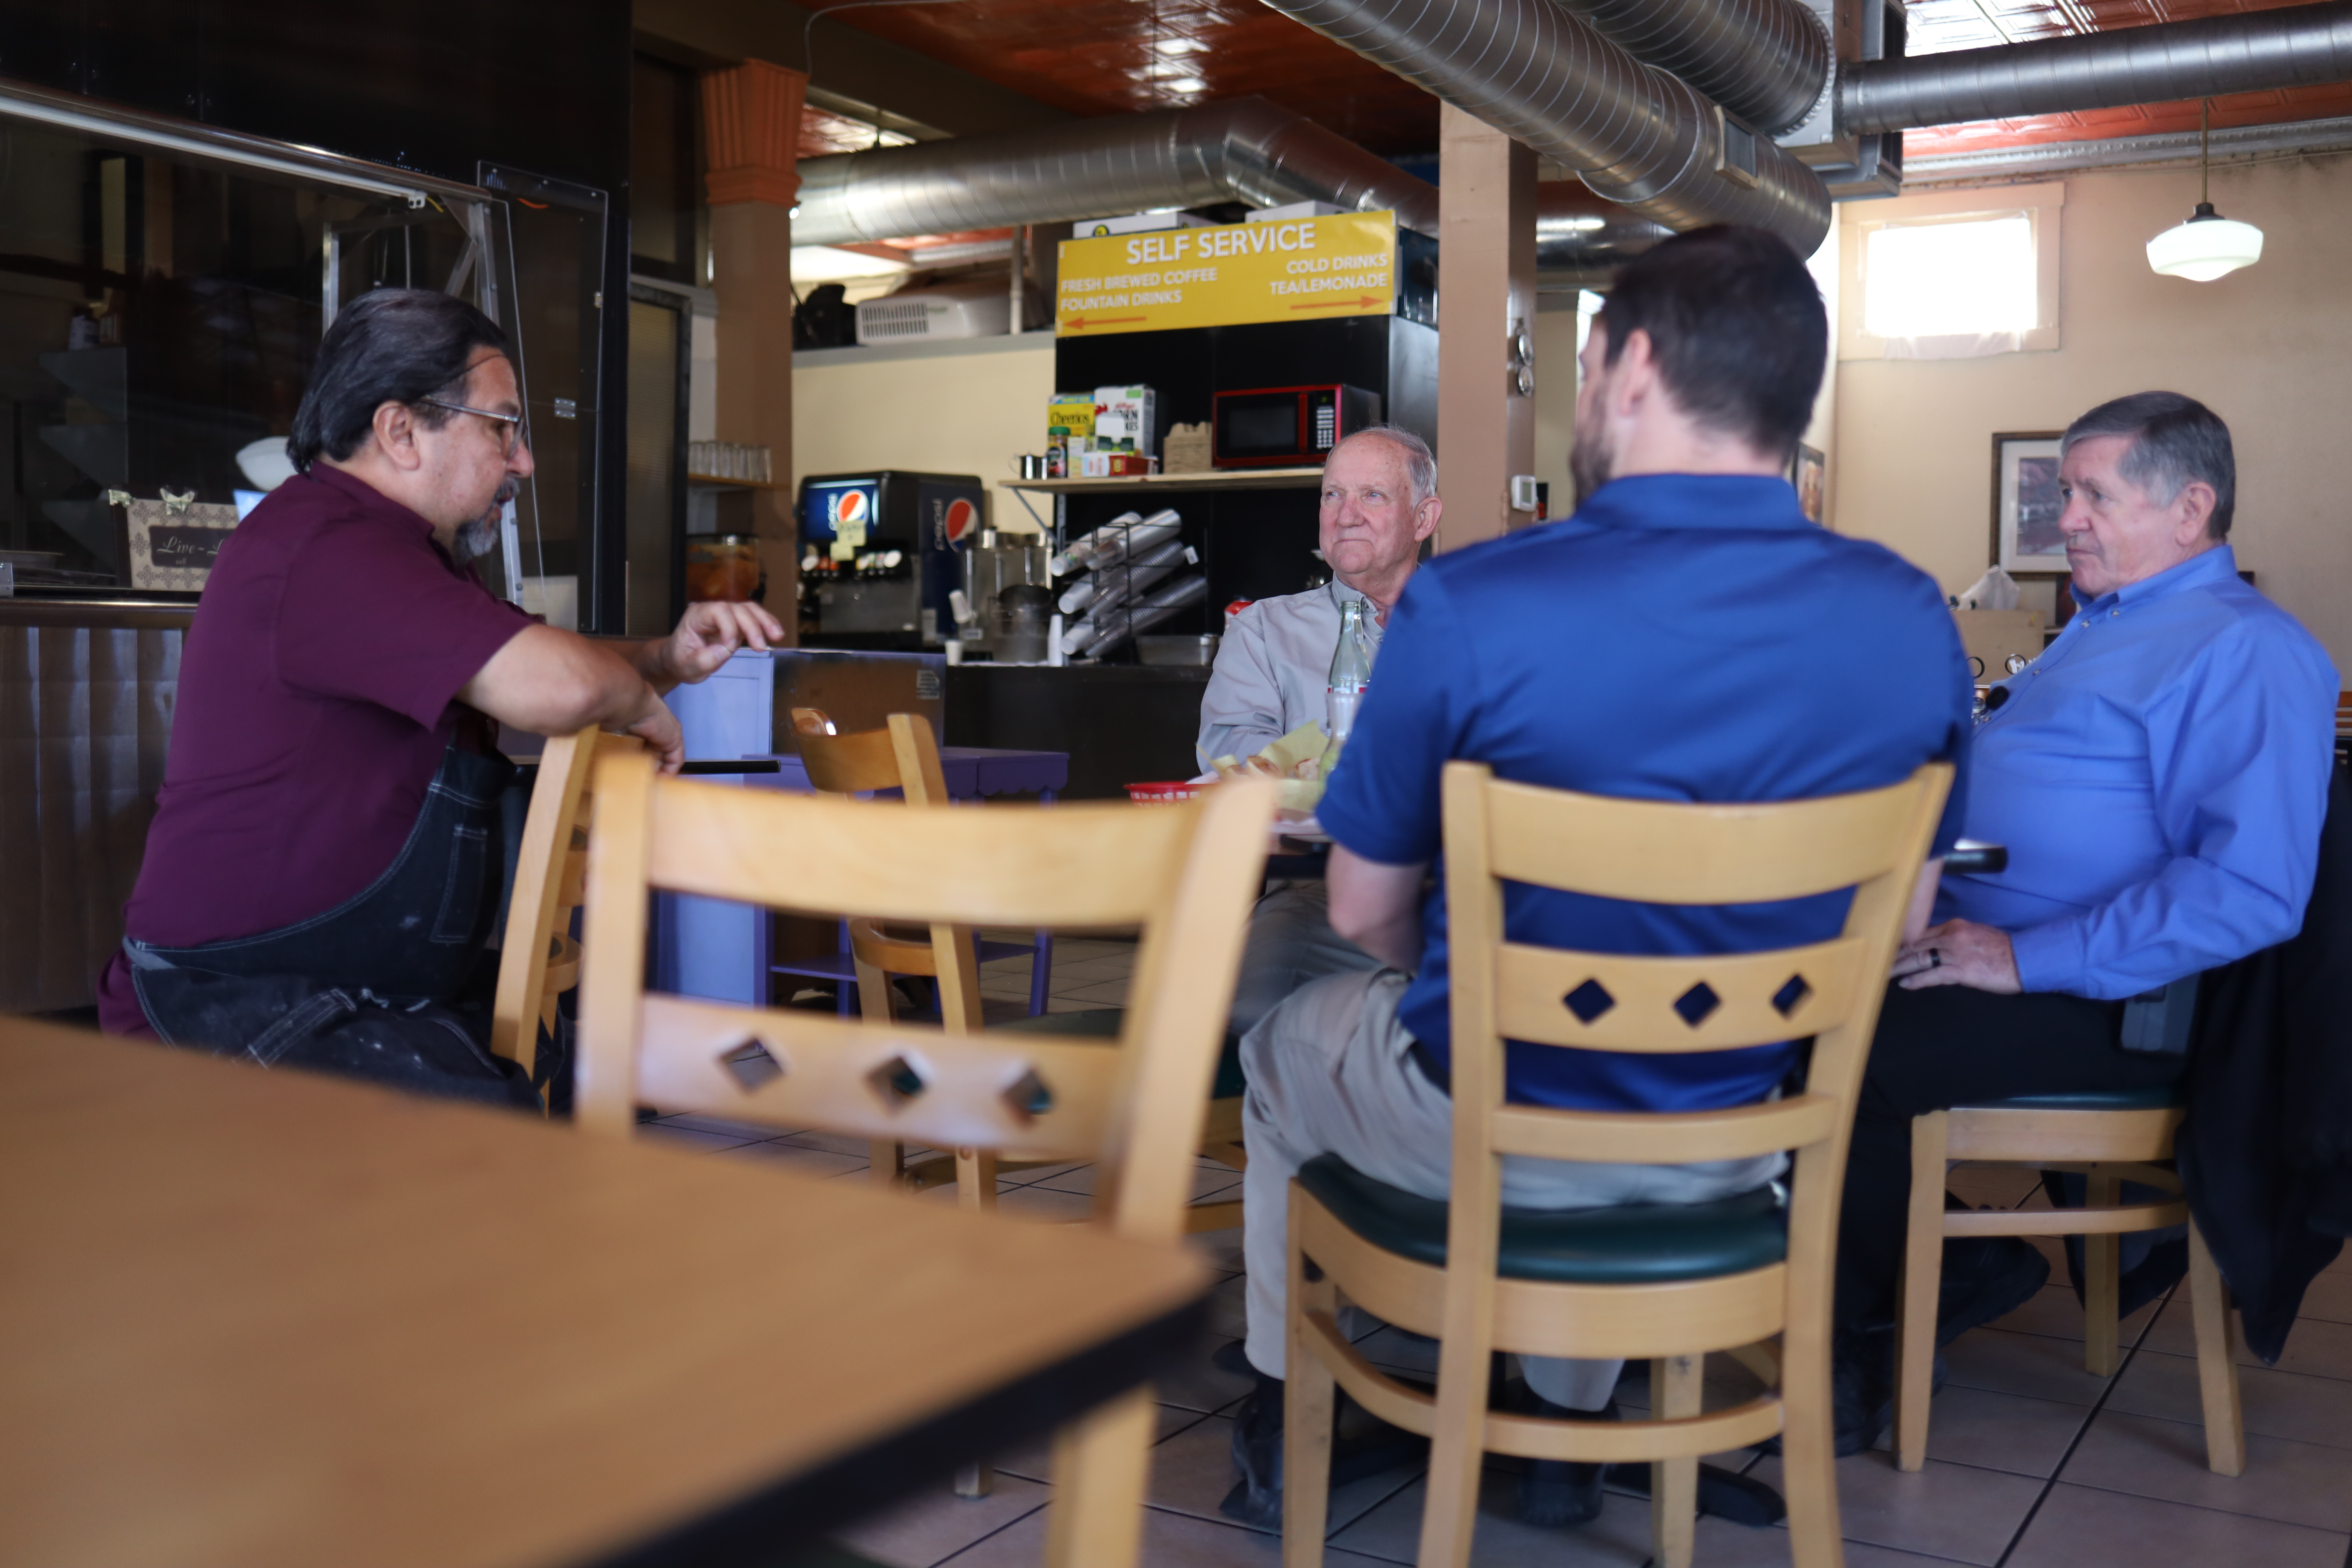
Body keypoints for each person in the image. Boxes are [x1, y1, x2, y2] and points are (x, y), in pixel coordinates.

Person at [1221, 225, 1975, 1531]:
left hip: (1492, 1131)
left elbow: (1358, 909)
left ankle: (1291, 1410)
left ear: (1627, 369)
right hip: (1739, 1149)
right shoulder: (1909, 616)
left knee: (1286, 1043)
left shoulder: (1479, 604)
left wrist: (1460, 979)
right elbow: (1903, 924)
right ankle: (1566, 1432)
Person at [94, 288, 782, 1105]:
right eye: (503, 426)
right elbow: (555, 685)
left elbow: (540, 657)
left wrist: (662, 657)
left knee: (578, 1087)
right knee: (489, 1149)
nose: (522, 460)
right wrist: (640, 704)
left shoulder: (403, 554)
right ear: (400, 430)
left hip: (341, 983)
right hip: (236, 1002)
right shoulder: (330, 549)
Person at [1830, 391, 2338, 1452]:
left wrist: (2018, 954)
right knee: (1777, 1007)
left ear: (2190, 507)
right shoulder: (2105, 626)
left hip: (2121, 997)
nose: (2067, 518)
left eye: (2094, 495)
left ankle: (1881, 1315)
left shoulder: (2243, 649)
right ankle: (1924, 1267)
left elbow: (2248, 890)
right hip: (1999, 952)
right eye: (2067, 493)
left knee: (1845, 1058)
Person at [1196, 425, 1442, 1032]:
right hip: (1318, 893)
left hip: (1459, 893)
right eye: (1333, 496)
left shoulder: (1479, 625)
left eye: (1373, 497)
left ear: (1424, 517)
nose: (1347, 515)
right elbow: (1231, 753)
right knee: (1256, 1018)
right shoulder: (1262, 630)